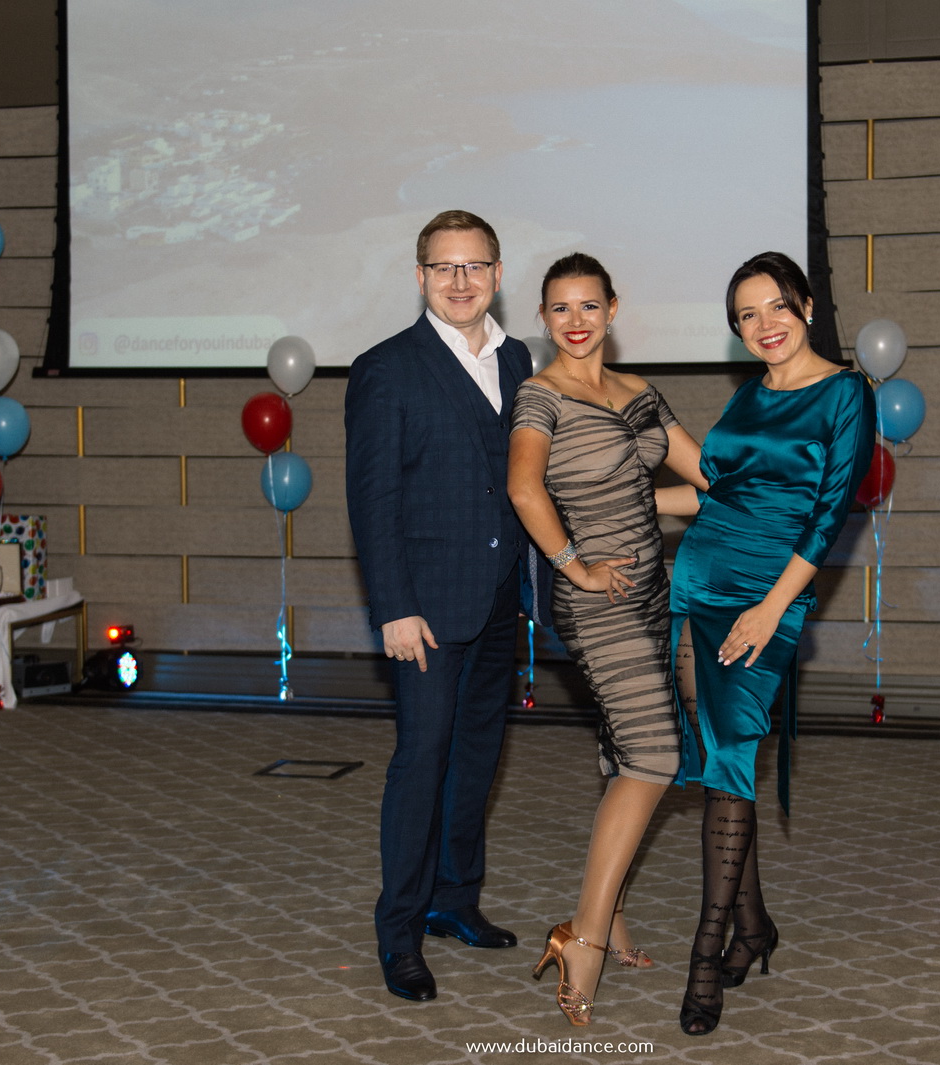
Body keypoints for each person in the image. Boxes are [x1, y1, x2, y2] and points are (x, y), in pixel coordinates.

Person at [660, 251, 875, 1036]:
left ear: (807, 305)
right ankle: (755, 929)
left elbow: (828, 515)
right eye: (747, 315)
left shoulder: (847, 393)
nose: (765, 324)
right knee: (721, 756)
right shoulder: (750, 395)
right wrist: (629, 499)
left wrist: (770, 609)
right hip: (699, 582)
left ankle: (706, 953)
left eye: (777, 305)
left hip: (767, 599)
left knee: (730, 754)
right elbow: (717, 493)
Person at [508, 253, 707, 1026]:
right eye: (560, 308)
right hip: (595, 602)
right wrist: (575, 566)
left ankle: (612, 912)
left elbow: (705, 481)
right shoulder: (541, 395)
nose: (576, 321)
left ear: (613, 309)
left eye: (589, 305)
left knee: (627, 749)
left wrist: (654, 502)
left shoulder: (639, 393)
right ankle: (583, 936)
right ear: (544, 317)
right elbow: (524, 486)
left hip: (654, 593)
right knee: (656, 753)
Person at [345, 210, 533, 1003]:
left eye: (475, 265)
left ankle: (455, 900)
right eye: (445, 267)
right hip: (423, 607)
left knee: (477, 757)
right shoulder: (386, 367)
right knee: (421, 760)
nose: (461, 281)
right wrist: (392, 606)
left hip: (498, 598)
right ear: (421, 276)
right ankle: (399, 930)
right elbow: (373, 499)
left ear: (497, 274)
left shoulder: (518, 358)